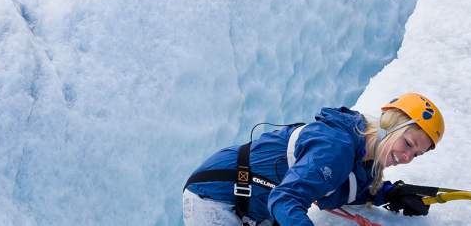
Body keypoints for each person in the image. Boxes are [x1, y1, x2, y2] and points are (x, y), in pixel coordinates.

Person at [183, 93, 446, 226]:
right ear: (389, 126)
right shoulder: (337, 148)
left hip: (249, 205)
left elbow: (342, 189)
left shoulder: (362, 156)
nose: (407, 157)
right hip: (215, 198)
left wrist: (390, 193)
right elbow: (285, 199)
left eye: (416, 154)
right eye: (408, 143)